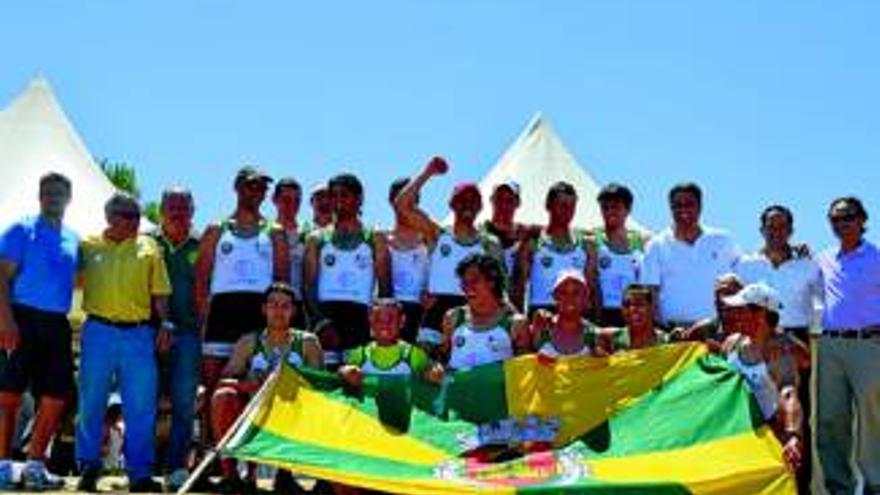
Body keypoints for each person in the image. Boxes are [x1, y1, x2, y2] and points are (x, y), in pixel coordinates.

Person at [76, 192, 171, 493]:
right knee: (91, 400)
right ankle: (88, 467)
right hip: (98, 330)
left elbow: (160, 292)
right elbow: (70, 281)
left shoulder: (149, 245)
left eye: (137, 215)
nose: (135, 221)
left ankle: (140, 473)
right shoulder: (87, 246)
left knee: (141, 404)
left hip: (139, 333)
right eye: (128, 215)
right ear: (110, 217)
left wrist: (165, 324)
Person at [733, 204, 820, 490]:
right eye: (770, 226)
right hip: (752, 338)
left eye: (782, 226)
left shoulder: (808, 264)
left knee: (794, 411)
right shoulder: (745, 264)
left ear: (791, 231)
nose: (776, 231)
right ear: (761, 230)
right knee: (754, 413)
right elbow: (729, 299)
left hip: (792, 340)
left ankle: (798, 485)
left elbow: (829, 299)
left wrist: (785, 339)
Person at [0, 173, 78, 490]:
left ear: (68, 197)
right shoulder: (22, 229)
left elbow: (78, 280)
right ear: (39, 196)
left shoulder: (74, 238)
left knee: (57, 396)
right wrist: (5, 321)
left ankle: (34, 464)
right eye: (47, 192)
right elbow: (1, 277)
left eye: (59, 192)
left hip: (57, 323)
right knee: (8, 395)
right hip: (21, 317)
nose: (53, 197)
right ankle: (3, 465)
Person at [211, 282, 322, 494]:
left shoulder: (308, 343)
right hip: (254, 409)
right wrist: (249, 384)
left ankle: (286, 474)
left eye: (285, 306)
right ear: (264, 309)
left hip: (293, 410)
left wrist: (289, 383)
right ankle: (230, 476)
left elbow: (320, 387)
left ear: (294, 310)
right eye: (273, 305)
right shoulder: (249, 342)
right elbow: (224, 381)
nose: (279, 311)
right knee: (223, 396)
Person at [194, 166, 289, 402]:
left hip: (258, 316)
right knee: (213, 386)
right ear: (236, 188)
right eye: (250, 185)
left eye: (262, 188)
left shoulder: (275, 232)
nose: (256, 191)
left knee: (258, 386)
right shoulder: (216, 229)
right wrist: (201, 322)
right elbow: (201, 280)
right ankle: (210, 439)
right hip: (221, 315)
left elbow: (281, 283)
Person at [393, 157, 502, 353]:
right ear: (452, 204)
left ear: (480, 207)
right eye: (462, 200)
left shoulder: (489, 244)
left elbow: (501, 287)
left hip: (472, 309)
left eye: (473, 200)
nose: (467, 205)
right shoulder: (438, 234)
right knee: (428, 370)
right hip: (436, 309)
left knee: (464, 368)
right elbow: (402, 205)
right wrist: (427, 173)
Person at [814, 196, 880, 495]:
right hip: (830, 346)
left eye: (848, 217)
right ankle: (839, 487)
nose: (842, 223)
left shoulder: (876, 257)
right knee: (830, 419)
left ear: (862, 219)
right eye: (835, 219)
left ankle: (875, 485)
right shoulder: (824, 258)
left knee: (872, 420)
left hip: (868, 345)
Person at [304, 173, 390, 369]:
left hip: (360, 319)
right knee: (325, 380)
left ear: (359, 199)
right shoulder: (316, 238)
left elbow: (385, 288)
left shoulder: (374, 237)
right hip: (326, 317)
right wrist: (320, 323)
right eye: (333, 196)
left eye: (345, 195)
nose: (338, 201)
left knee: (356, 380)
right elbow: (308, 286)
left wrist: (379, 324)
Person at [719, 283, 804, 477]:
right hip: (737, 437)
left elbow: (789, 393)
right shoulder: (731, 343)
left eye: (741, 310)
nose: (734, 315)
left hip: (770, 438)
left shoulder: (780, 351)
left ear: (760, 315)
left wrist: (792, 435)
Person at [149, 187, 202, 491]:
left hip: (190, 335)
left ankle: (177, 468)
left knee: (184, 403)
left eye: (184, 207)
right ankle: (140, 467)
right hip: (147, 333)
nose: (178, 212)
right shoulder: (145, 242)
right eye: (172, 206)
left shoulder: (203, 244)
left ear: (193, 210)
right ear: (161, 209)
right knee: (144, 402)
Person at [641, 182, 739, 330]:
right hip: (674, 333)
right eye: (677, 205)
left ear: (700, 207)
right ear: (670, 208)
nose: (683, 210)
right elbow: (650, 293)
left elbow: (738, 283)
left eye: (689, 204)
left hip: (717, 331)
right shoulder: (656, 245)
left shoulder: (723, 240)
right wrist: (660, 328)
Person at [514, 181, 597, 317]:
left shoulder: (585, 245)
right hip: (541, 315)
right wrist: (519, 320)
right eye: (562, 205)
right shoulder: (534, 241)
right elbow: (518, 286)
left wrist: (596, 322)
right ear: (548, 206)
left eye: (572, 206)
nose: (567, 211)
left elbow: (593, 289)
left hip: (575, 317)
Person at [440, 254, 530, 370]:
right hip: (458, 388)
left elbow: (524, 370)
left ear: (491, 282)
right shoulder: (453, 317)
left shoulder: (516, 324)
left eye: (474, 281)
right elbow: (442, 357)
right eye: (464, 282)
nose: (468, 287)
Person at [339, 299, 443, 385]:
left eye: (391, 318)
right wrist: (346, 372)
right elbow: (340, 374)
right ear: (370, 321)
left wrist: (432, 372)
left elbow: (431, 371)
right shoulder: (360, 354)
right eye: (378, 319)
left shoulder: (412, 354)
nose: (385, 324)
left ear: (402, 321)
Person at [592, 183, 649, 327]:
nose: (610, 212)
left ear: (628, 209)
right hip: (604, 313)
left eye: (616, 207)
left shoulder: (642, 241)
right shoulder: (592, 240)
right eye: (605, 207)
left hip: (633, 314)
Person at [386, 178, 430, 343]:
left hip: (422, 313)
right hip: (387, 314)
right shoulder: (381, 240)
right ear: (392, 201)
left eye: (412, 199)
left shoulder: (430, 238)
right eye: (402, 198)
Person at [529, 270, 601, 358]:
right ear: (555, 297)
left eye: (576, 292)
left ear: (585, 297)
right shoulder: (541, 327)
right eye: (563, 293)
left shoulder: (594, 335)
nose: (570, 298)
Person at [481, 180, 538, 282]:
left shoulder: (526, 238)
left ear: (518, 203)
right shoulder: (479, 233)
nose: (503, 205)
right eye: (499, 199)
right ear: (491, 200)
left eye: (509, 200)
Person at [273, 177, 310, 329]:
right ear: (274, 200)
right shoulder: (266, 233)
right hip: (272, 305)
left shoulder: (309, 235)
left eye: (297, 201)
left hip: (299, 307)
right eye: (286, 200)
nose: (292, 205)